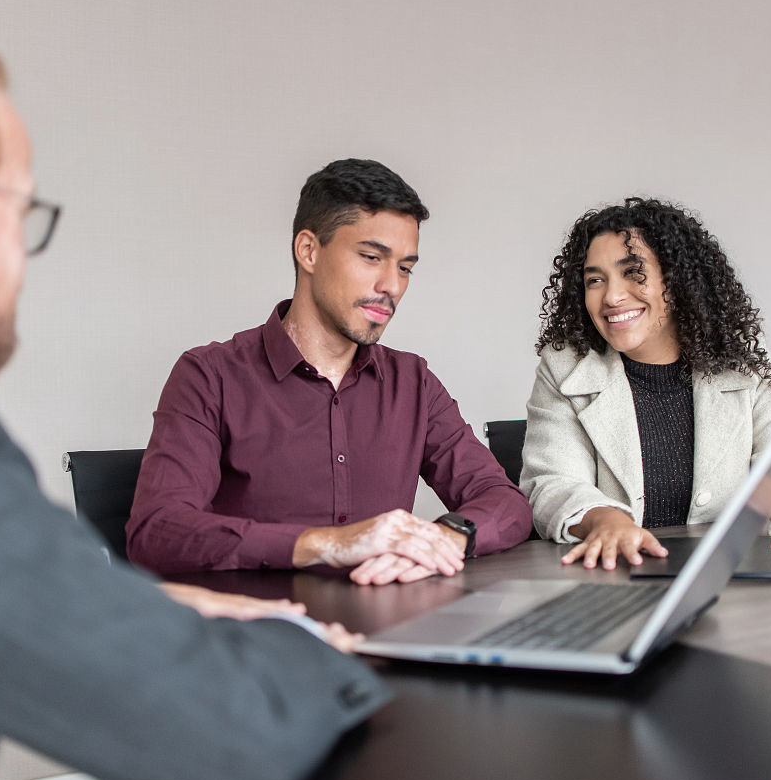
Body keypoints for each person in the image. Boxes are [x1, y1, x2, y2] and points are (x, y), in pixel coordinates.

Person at [0, 12, 390, 780]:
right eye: (20, 213)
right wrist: (304, 642)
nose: (20, 263)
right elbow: (223, 733)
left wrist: (150, 610)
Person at [126, 159, 532, 586]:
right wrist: (330, 544)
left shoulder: (413, 382)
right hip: (260, 638)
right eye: (371, 257)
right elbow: (157, 532)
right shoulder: (209, 376)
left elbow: (504, 502)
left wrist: (448, 538)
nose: (391, 285)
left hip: (387, 635)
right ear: (309, 251)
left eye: (405, 268)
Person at [522, 197, 771, 571]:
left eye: (633, 272)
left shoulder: (742, 364)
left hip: (733, 584)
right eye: (595, 280)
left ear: (676, 279)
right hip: (616, 577)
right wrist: (607, 522)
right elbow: (552, 481)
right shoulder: (564, 367)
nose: (612, 296)